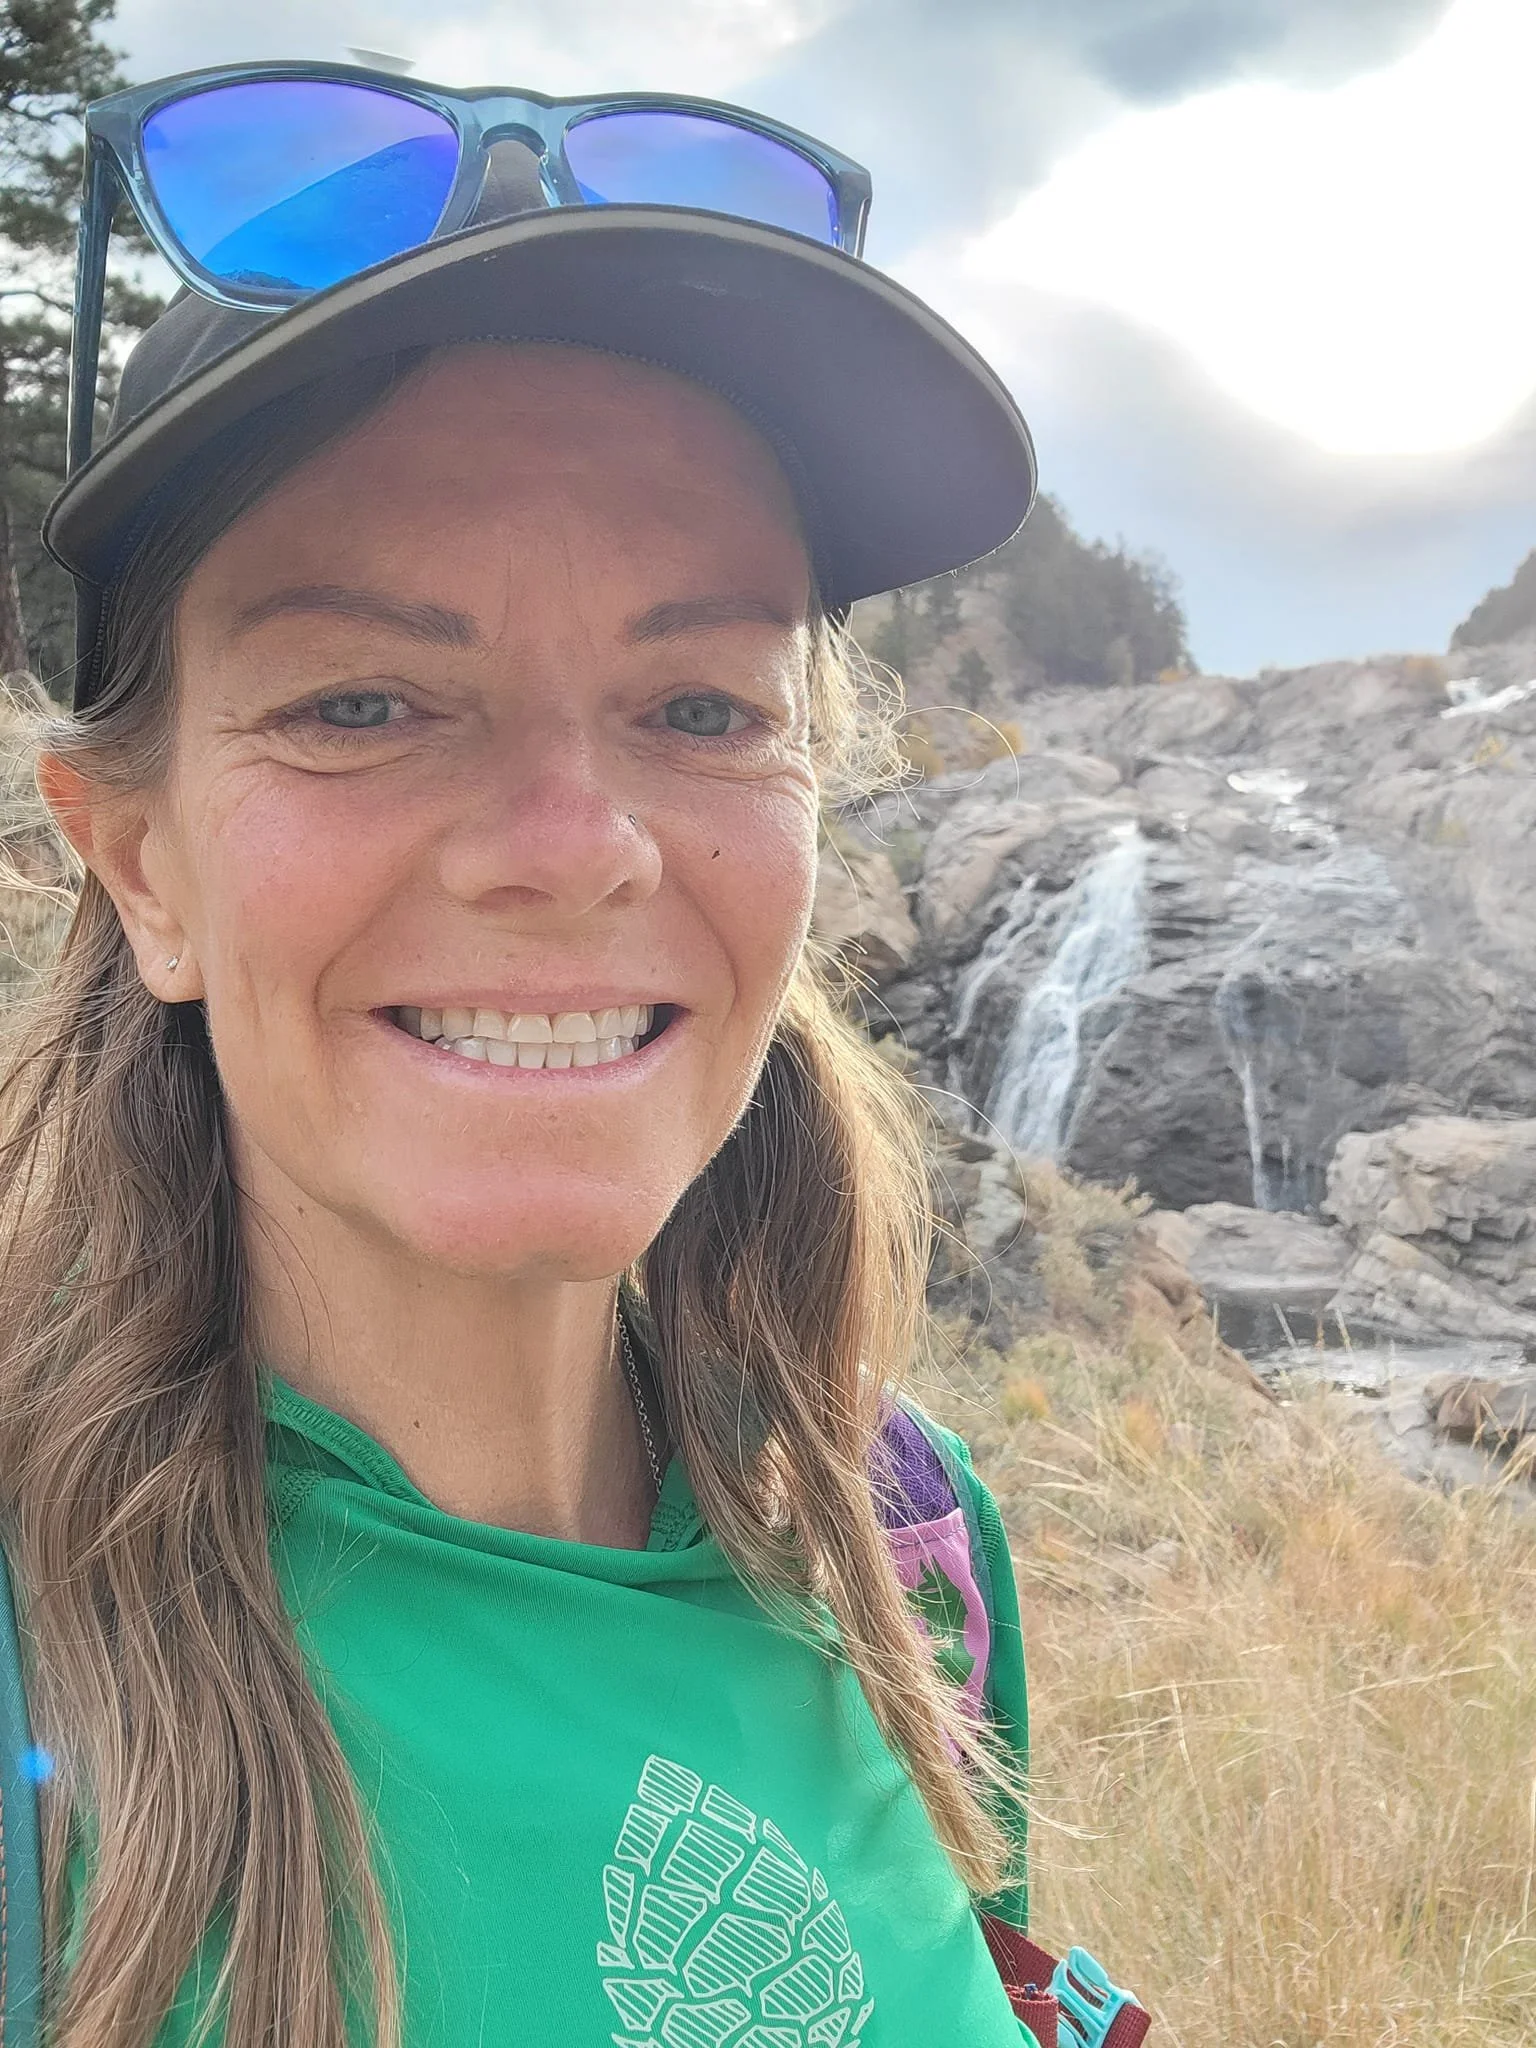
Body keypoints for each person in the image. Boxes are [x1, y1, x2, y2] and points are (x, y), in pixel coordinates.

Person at [0, 61, 1053, 2048]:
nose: (576, 848)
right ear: (136, 860)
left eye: (702, 706)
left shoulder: (906, 1539)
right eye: (370, 698)